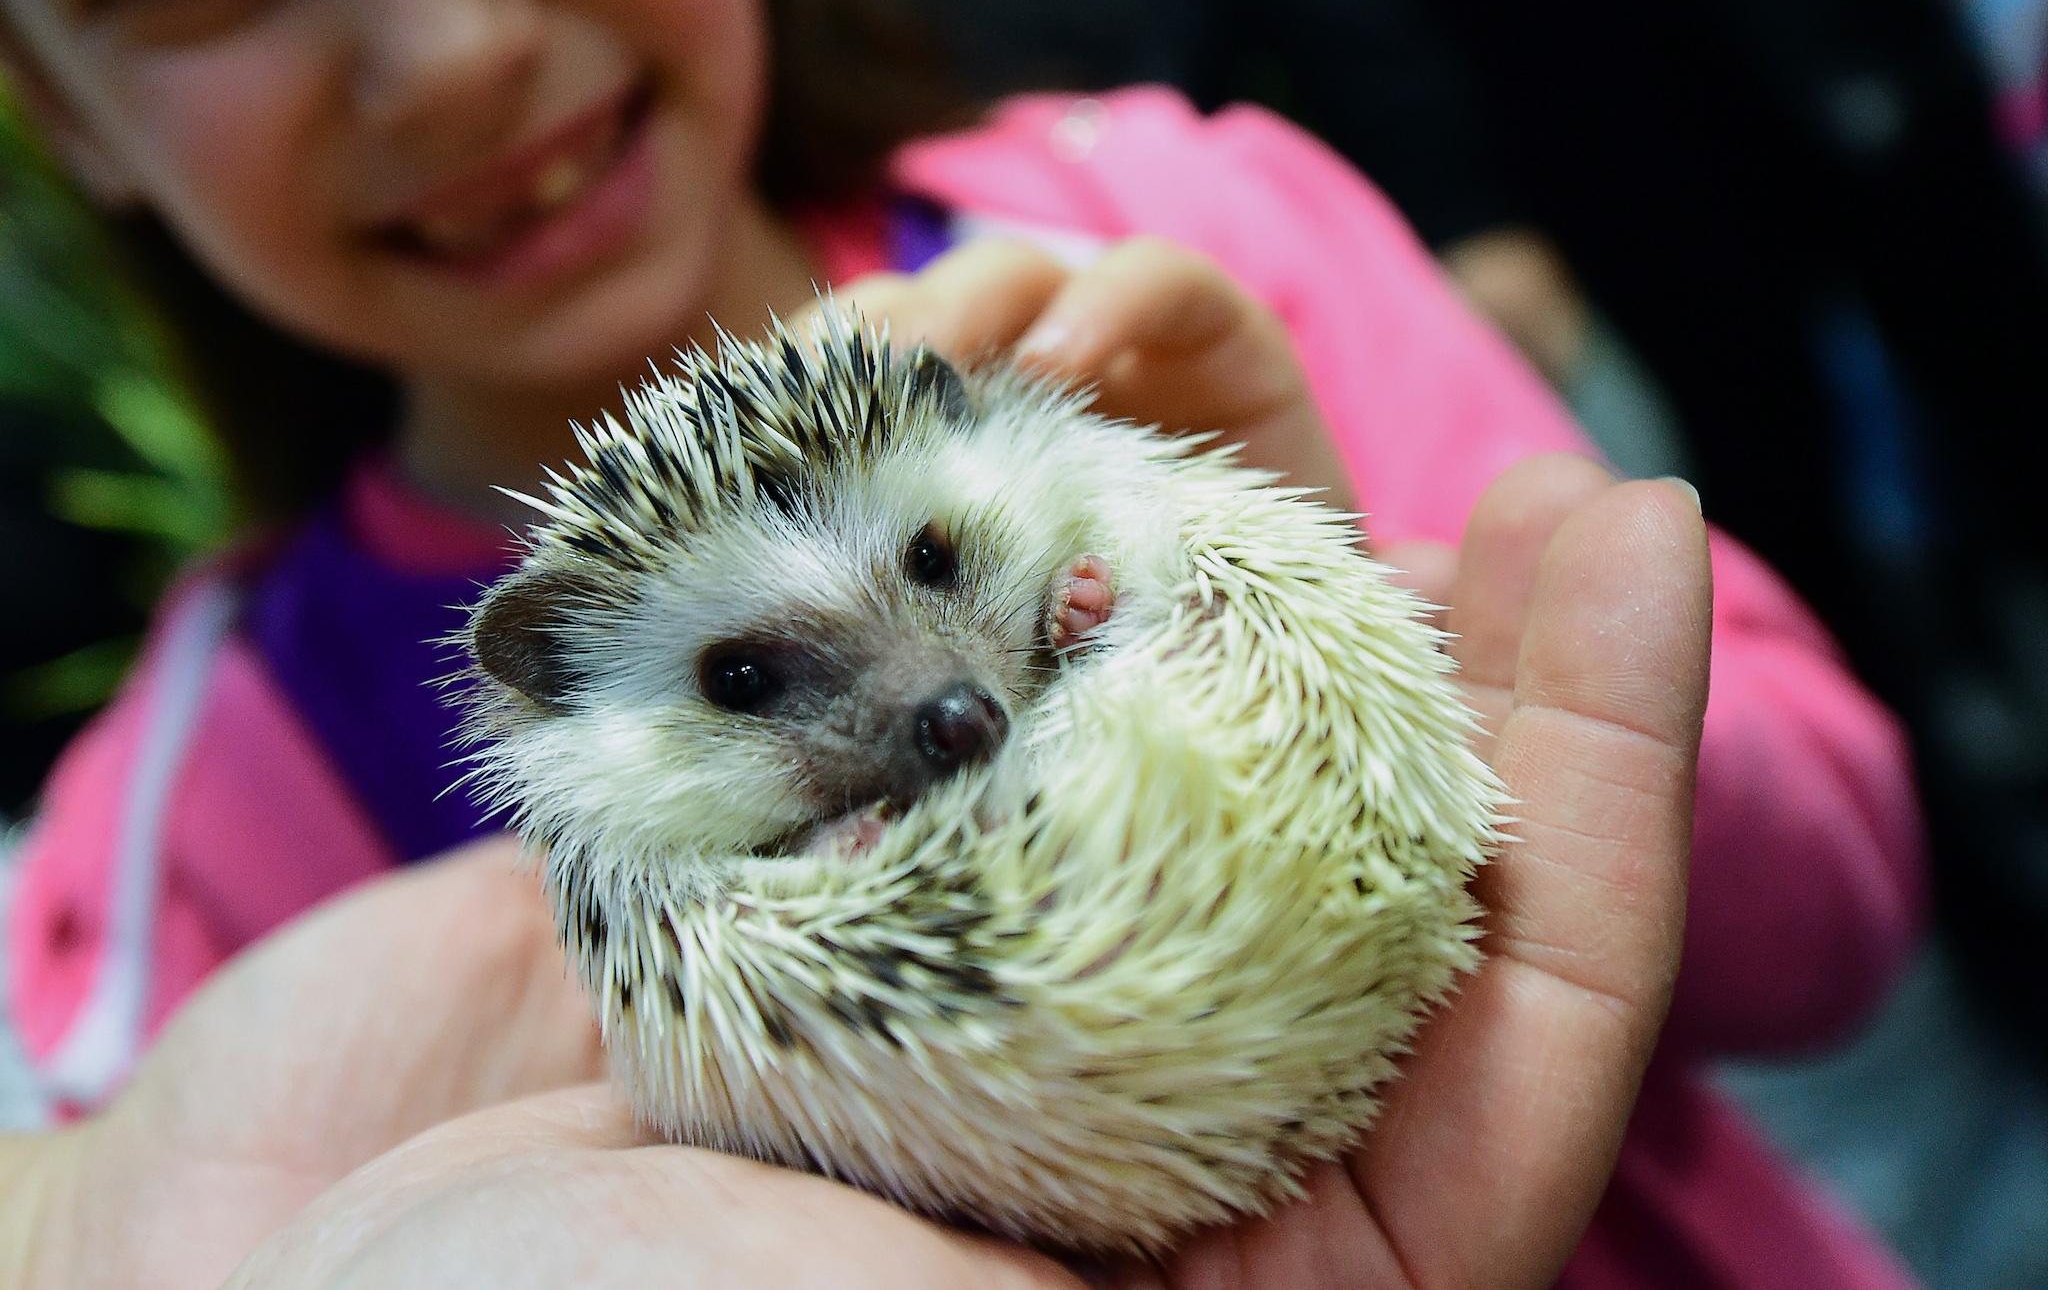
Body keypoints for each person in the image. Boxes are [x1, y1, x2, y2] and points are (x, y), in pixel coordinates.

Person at [0, 0, 1920, 1284]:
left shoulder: (1184, 238)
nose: (444, 53)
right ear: (62, 106)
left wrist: (1400, 648)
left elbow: (1847, 910)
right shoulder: (191, 831)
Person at [0, 458, 1710, 1290]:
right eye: (750, 680)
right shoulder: (201, 791)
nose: (943, 695)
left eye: (942, 565)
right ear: (552, 704)